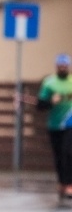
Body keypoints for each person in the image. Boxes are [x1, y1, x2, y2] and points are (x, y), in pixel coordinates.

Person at [36, 53, 72, 200]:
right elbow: (40, 105)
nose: (63, 67)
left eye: (65, 65)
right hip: (55, 125)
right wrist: (51, 101)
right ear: (56, 66)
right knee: (58, 155)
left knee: (68, 152)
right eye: (60, 65)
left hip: (70, 123)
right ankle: (61, 182)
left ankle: (69, 184)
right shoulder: (49, 83)